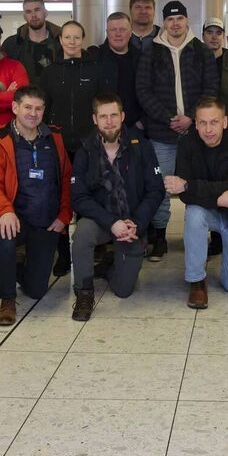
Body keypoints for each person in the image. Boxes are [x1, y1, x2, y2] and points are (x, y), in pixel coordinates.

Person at [69, 93, 166, 321]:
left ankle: (110, 264)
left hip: (132, 222)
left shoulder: (141, 146)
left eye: (114, 115)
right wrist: (111, 223)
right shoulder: (85, 150)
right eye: (103, 116)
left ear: (122, 116)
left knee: (123, 291)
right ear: (95, 119)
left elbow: (156, 190)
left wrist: (138, 223)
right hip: (102, 221)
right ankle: (84, 293)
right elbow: (79, 197)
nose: (109, 121)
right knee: (82, 233)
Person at [135, 0, 219, 259]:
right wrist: (169, 117)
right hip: (162, 133)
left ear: (187, 20)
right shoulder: (151, 51)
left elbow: (211, 88)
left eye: (179, 19)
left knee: (206, 182)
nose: (175, 24)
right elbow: (143, 90)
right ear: (165, 22)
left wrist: (191, 118)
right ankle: (159, 236)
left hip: (197, 133)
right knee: (161, 186)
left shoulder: (202, 51)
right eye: (170, 19)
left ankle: (212, 233)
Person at [0, 86, 72, 326]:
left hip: (46, 220)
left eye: (39, 108)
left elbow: (65, 178)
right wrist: (5, 212)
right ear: (15, 108)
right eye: (28, 107)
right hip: (15, 217)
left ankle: (15, 267)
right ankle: (7, 298)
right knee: (4, 235)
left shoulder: (55, 137)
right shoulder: (0, 140)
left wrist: (64, 215)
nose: (33, 113)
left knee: (36, 290)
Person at [169, 97, 228, 309]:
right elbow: (184, 194)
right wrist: (217, 198)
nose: (209, 129)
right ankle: (197, 280)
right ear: (196, 124)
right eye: (203, 123)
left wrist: (190, 186)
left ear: (225, 122)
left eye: (214, 122)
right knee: (194, 213)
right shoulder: (187, 143)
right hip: (208, 211)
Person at [39, 20, 99, 276]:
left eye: (77, 37)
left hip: (89, 146)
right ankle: (62, 254)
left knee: (89, 197)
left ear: (82, 39)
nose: (72, 42)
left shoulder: (94, 69)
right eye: (67, 37)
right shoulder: (50, 72)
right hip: (59, 146)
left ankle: (91, 251)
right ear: (60, 40)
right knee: (60, 199)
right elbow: (42, 108)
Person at [91, 11, 142, 130]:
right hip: (103, 128)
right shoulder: (94, 58)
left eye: (122, 29)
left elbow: (149, 91)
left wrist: (142, 122)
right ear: (107, 33)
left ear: (130, 33)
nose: (118, 34)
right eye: (113, 30)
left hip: (136, 128)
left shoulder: (142, 59)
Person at [1, 0, 62, 85]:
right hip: (22, 97)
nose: (33, 15)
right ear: (24, 16)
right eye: (28, 12)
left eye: (37, 10)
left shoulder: (61, 42)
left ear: (45, 13)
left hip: (56, 98)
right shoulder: (11, 44)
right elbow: (2, 73)